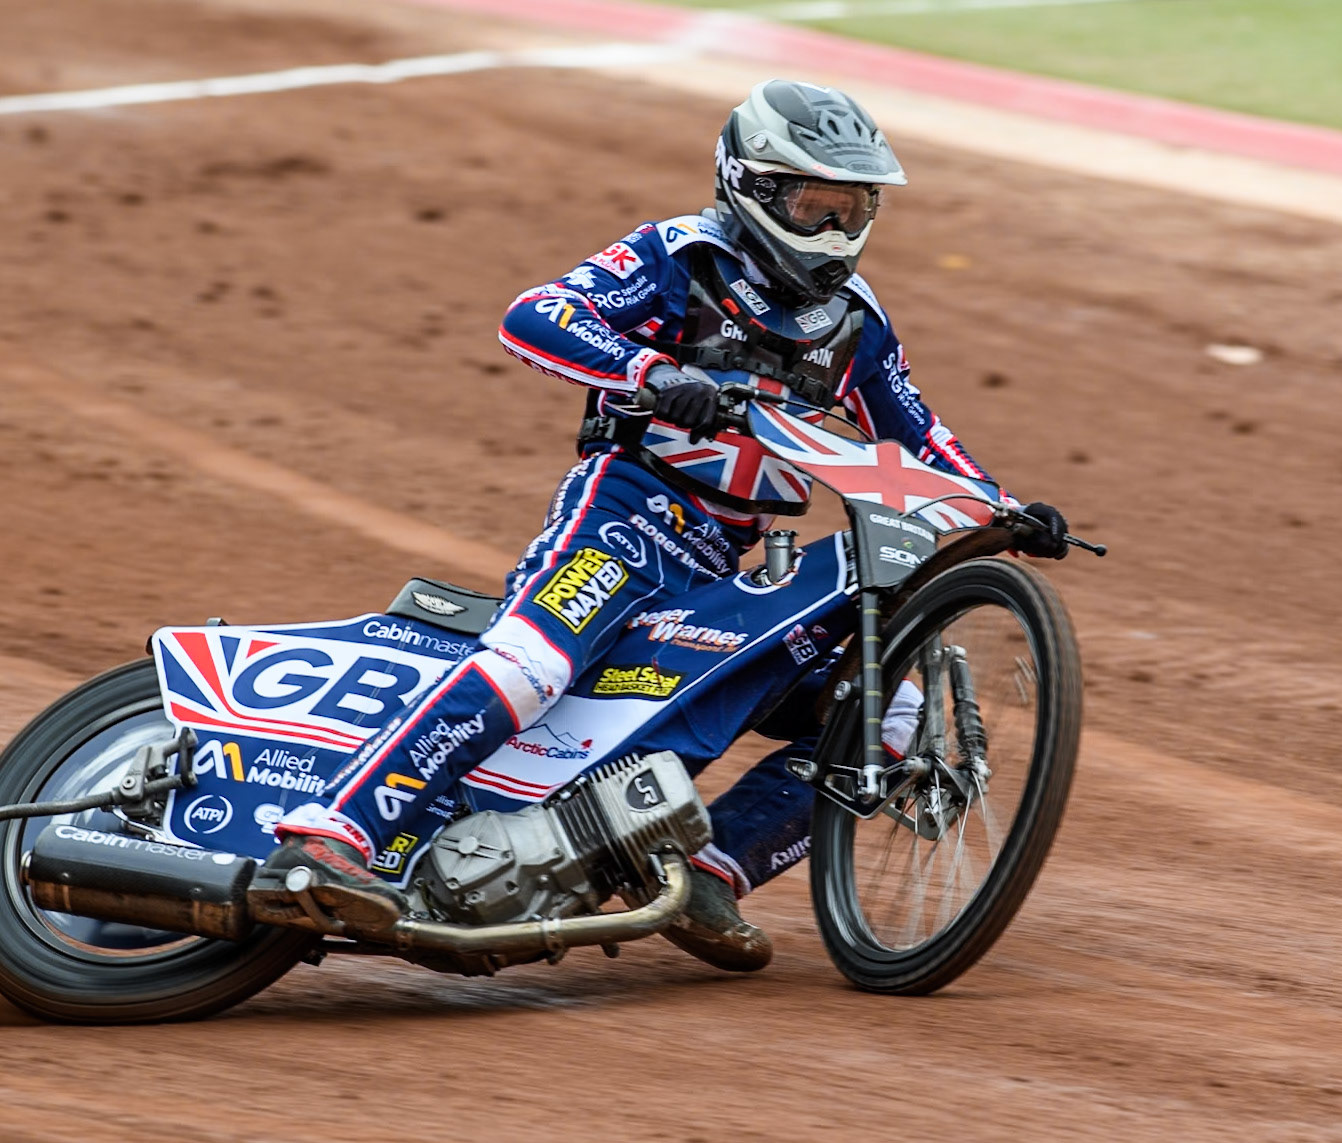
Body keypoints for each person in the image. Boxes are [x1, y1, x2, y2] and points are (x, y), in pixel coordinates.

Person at [249, 80, 1068, 970]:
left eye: (854, 208)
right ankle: (330, 837)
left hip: (727, 567)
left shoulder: (857, 324)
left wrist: (1003, 509)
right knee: (531, 663)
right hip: (623, 518)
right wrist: (648, 370)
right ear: (748, 186)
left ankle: (712, 872)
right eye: (814, 205)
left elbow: (917, 437)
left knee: (890, 711)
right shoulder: (680, 256)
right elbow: (537, 315)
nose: (835, 231)